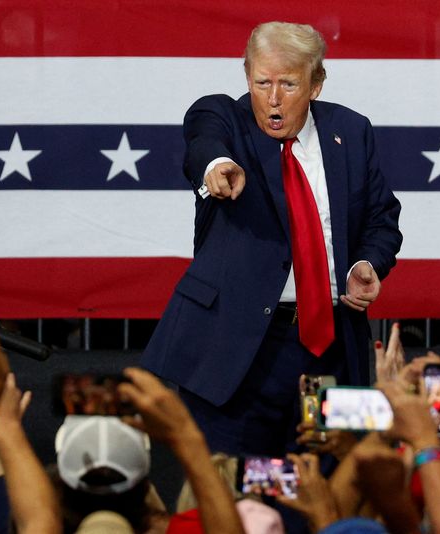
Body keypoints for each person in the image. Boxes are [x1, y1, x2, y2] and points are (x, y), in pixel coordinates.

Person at [141, 21, 402, 456]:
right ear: (247, 76)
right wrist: (215, 166)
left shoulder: (351, 131)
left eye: (288, 84)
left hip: (331, 352)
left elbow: (382, 217)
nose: (273, 98)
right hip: (237, 356)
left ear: (316, 83)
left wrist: (367, 264)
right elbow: (203, 141)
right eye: (262, 82)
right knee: (234, 497)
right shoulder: (223, 117)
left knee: (325, 490)